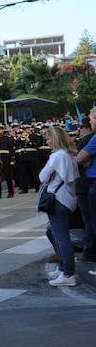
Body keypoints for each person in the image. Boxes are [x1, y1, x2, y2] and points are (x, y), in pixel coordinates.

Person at [41, 127, 80, 287]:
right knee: (60, 236)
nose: (47, 142)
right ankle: (63, 268)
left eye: (49, 138)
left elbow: (42, 176)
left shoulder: (57, 156)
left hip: (58, 200)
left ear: (56, 138)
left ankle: (68, 273)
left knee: (62, 238)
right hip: (69, 199)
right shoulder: (70, 154)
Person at [76, 108, 96, 272]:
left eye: (91, 119)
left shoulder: (91, 138)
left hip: (88, 184)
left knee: (90, 221)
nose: (90, 122)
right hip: (88, 183)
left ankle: (90, 252)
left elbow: (80, 159)